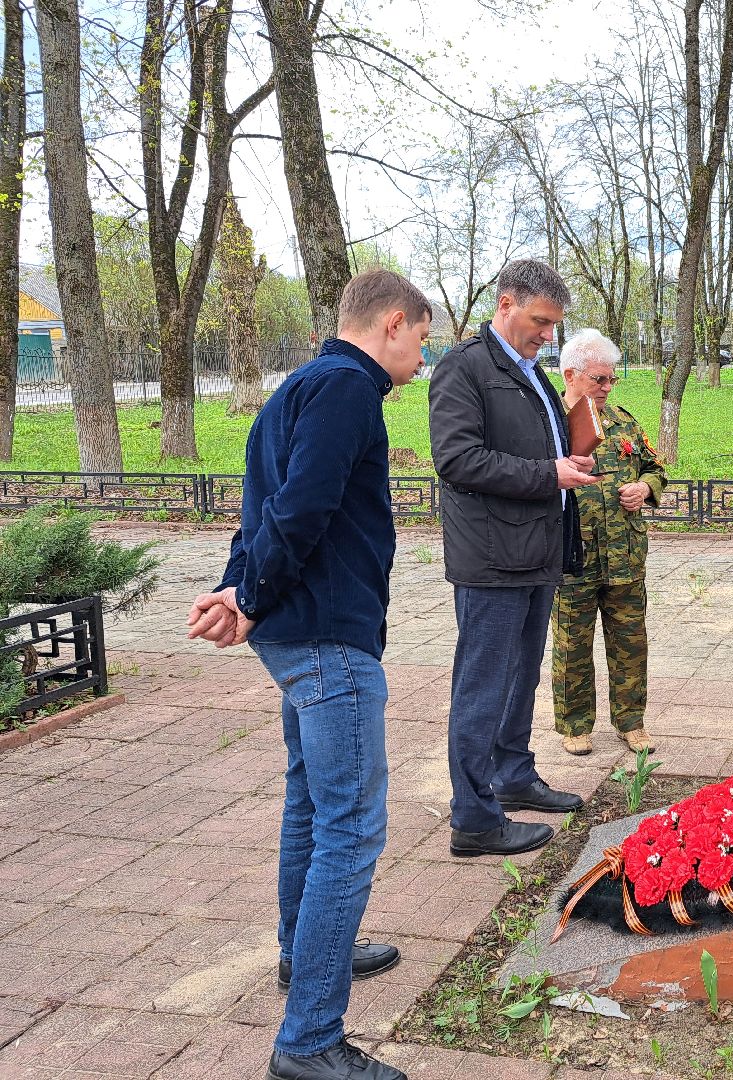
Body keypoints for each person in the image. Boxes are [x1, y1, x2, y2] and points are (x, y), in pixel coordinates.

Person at [186, 268, 431, 1080]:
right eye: (423, 340)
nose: (421, 359)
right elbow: (298, 510)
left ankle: (306, 954)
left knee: (310, 800)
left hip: (300, 634)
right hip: (327, 638)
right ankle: (310, 1041)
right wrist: (249, 593)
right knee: (351, 827)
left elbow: (261, 506)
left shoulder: (299, 386)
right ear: (393, 323)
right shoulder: (348, 389)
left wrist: (236, 588)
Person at [428, 259, 597, 859]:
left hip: (536, 552)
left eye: (553, 325)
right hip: (491, 559)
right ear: (505, 304)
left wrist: (570, 462)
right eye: (540, 321)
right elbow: (457, 460)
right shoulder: (464, 368)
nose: (548, 335)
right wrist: (547, 473)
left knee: (521, 676)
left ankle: (513, 776)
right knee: (482, 686)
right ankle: (474, 818)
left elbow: (541, 448)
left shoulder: (529, 372)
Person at [550, 329, 667, 756]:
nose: (606, 387)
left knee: (630, 642)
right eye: (598, 379)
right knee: (571, 646)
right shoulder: (550, 424)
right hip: (572, 555)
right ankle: (575, 725)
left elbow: (656, 468)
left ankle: (631, 722)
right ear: (571, 375)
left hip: (624, 554)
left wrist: (645, 487)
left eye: (611, 379)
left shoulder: (624, 420)